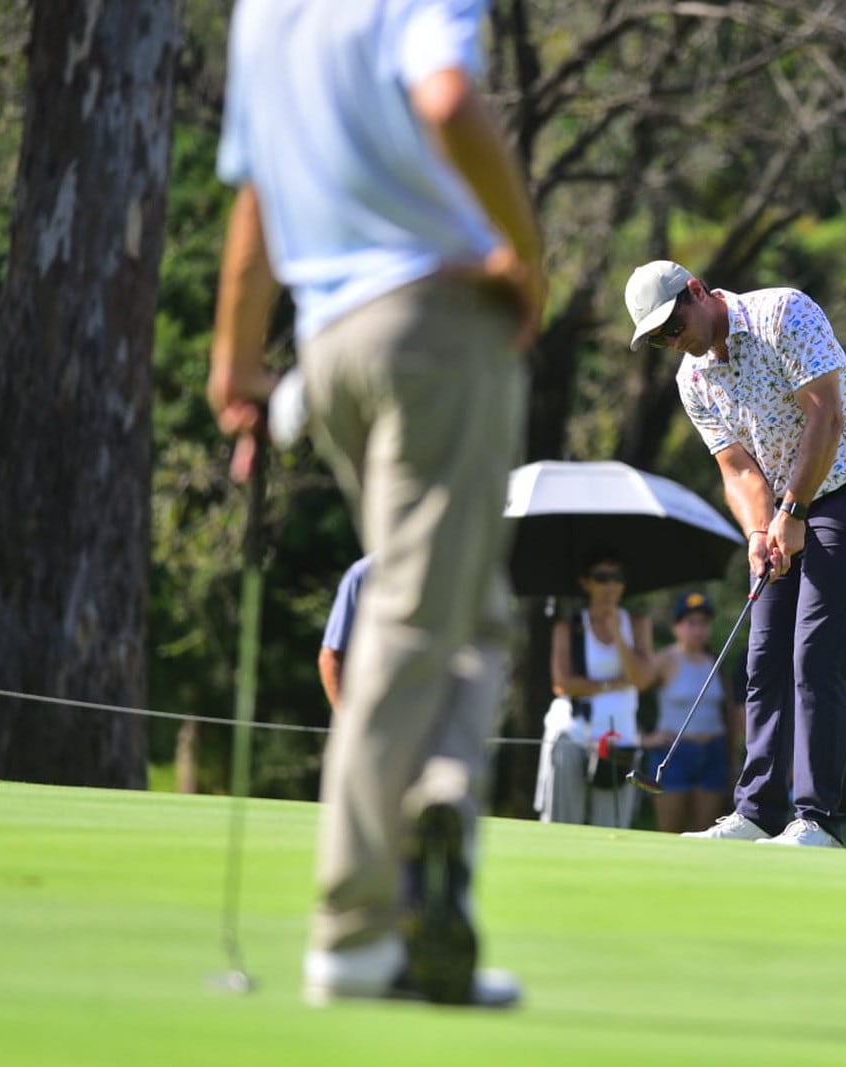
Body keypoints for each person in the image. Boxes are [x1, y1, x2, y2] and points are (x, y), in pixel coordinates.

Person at [208, 0, 546, 1008]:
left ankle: (436, 801)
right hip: (434, 321)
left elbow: (260, 193)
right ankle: (354, 930)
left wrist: (234, 357)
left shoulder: (262, 11)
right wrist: (524, 252)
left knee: (465, 611)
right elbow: (446, 98)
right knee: (413, 612)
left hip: (331, 341)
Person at [623, 260, 846, 848]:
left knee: (815, 655)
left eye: (674, 326)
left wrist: (794, 512)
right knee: (765, 657)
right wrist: (758, 531)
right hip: (781, 511)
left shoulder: (783, 314)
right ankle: (756, 812)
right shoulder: (693, 378)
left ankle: (816, 818)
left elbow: (825, 414)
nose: (675, 342)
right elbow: (737, 466)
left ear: (697, 291)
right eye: (660, 339)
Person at [542, 552, 657, 829]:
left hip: (621, 736)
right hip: (574, 733)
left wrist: (617, 634)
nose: (610, 586)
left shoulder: (637, 623)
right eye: (602, 578)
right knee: (563, 824)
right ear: (586, 583)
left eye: (617, 578)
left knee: (612, 826)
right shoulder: (568, 627)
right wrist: (615, 683)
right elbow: (562, 683)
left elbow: (642, 680)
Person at [644, 591, 743, 833]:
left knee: (706, 832)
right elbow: (632, 693)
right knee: (669, 832)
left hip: (712, 753)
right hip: (674, 753)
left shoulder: (716, 663)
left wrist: (734, 762)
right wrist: (644, 738)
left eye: (703, 623)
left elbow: (728, 714)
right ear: (676, 627)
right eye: (691, 623)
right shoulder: (664, 660)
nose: (698, 630)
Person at [318, 556, 372, 714]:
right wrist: (348, 720)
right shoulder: (363, 574)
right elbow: (331, 658)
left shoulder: (447, 571)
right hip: (377, 719)